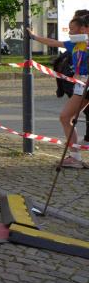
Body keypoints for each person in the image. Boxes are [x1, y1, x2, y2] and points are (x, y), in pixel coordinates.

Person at [29, 15, 89, 168]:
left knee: (65, 117)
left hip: (85, 85)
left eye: (72, 29)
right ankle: (75, 157)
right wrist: (34, 37)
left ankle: (75, 157)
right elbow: (53, 42)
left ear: (83, 29)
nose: (70, 32)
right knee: (65, 118)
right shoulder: (74, 44)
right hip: (81, 86)